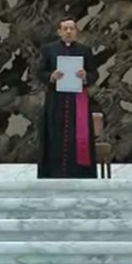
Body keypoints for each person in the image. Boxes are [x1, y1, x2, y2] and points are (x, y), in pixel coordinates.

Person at [37, 18, 99, 179]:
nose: (69, 32)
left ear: (77, 32)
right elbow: (40, 72)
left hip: (77, 102)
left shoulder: (85, 50)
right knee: (54, 136)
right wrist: (51, 76)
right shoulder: (49, 50)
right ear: (59, 32)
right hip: (56, 101)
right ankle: (53, 173)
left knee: (77, 137)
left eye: (72, 29)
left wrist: (85, 77)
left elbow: (94, 74)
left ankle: (79, 172)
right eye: (65, 29)